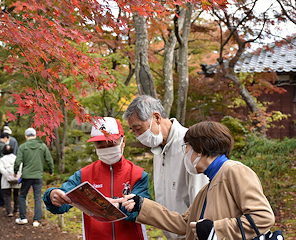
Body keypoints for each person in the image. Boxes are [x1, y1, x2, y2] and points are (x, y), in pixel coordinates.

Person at [120, 121, 275, 240]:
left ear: (200, 149)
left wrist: (216, 229)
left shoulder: (234, 170)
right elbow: (183, 224)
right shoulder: (207, 189)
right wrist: (142, 206)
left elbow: (263, 217)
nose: (185, 153)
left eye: (187, 147)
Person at [43, 117, 150, 240]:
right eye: (100, 144)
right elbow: (63, 201)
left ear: (123, 141)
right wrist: (52, 195)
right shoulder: (83, 175)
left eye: (111, 143)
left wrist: (118, 206)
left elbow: (141, 212)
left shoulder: (138, 175)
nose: (106, 148)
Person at [123, 95, 209, 239]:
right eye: (134, 130)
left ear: (157, 117)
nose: (138, 135)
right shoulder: (158, 149)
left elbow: (201, 203)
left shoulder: (190, 145)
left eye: (138, 128)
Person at [14, 127, 54, 227]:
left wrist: (15, 171)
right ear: (35, 136)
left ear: (26, 136)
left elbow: (18, 161)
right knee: (37, 197)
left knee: (23, 196)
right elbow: (49, 159)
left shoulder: (23, 147)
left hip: (27, 176)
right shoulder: (42, 146)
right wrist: (51, 171)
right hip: (38, 176)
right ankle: (36, 220)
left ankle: (23, 218)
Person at [0, 144, 22, 217]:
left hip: (6, 180)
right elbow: (20, 167)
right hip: (16, 178)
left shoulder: (2, 159)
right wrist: (17, 175)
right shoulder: (16, 158)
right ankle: (17, 208)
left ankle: (9, 211)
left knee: (7, 195)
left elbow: (1, 169)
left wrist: (7, 175)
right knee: (16, 194)